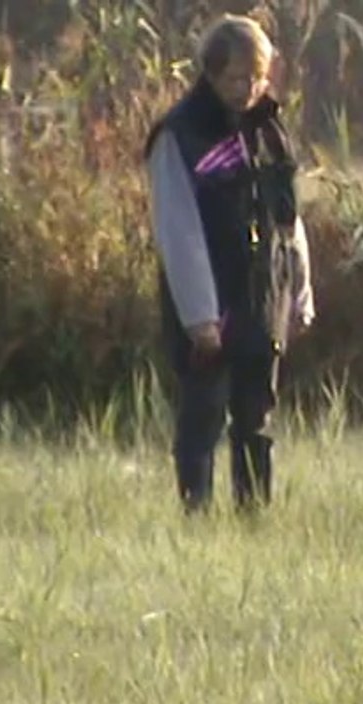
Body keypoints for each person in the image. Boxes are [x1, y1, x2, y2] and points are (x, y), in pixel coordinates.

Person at [143, 13, 314, 514]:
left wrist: (299, 295)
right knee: (202, 419)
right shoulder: (179, 136)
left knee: (256, 418)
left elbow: (288, 219)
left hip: (264, 297)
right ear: (212, 74)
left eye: (258, 77)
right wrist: (200, 318)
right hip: (210, 305)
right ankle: (195, 517)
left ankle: (253, 518)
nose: (250, 88)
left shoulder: (269, 130)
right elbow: (179, 233)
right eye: (239, 78)